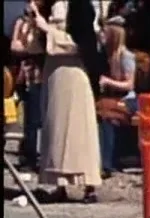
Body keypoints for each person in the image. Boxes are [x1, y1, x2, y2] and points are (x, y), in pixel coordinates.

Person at [31, 0, 102, 203]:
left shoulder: (80, 7)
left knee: (81, 130)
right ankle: (59, 184)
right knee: (56, 129)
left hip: (74, 73)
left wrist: (49, 30)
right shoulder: (51, 5)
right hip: (54, 72)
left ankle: (89, 185)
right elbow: (37, 47)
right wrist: (37, 24)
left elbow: (80, 45)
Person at [98, 16, 138, 179]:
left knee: (107, 115)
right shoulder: (107, 56)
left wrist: (108, 82)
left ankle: (106, 164)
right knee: (100, 109)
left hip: (129, 99)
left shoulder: (125, 56)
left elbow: (129, 85)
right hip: (113, 98)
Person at [10, 0, 46, 172]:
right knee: (29, 117)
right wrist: (28, 50)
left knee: (41, 116)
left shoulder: (44, 22)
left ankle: (41, 154)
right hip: (27, 74)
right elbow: (14, 45)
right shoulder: (21, 22)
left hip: (43, 72)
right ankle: (28, 154)